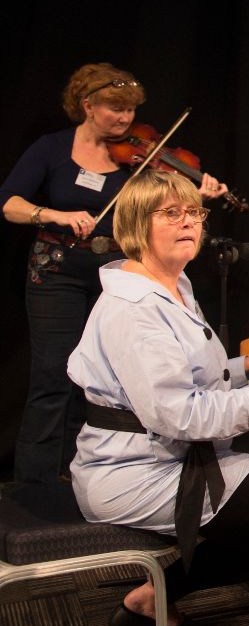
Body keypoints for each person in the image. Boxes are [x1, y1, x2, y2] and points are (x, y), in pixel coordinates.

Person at [68, 170, 249, 626]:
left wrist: (248, 364)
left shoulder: (170, 283)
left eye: (194, 212)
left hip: (163, 456)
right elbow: (182, 414)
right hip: (130, 473)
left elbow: (187, 375)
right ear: (138, 225)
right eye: (171, 214)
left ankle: (151, 596)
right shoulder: (136, 310)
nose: (189, 223)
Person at [0, 62, 228, 485]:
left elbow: (163, 201)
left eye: (129, 111)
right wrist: (53, 213)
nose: (125, 120)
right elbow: (8, 202)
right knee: (53, 375)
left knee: (102, 383)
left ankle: (77, 475)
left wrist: (196, 192)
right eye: (115, 110)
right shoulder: (52, 148)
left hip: (120, 273)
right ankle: (32, 486)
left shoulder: (140, 157)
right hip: (59, 270)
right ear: (87, 105)